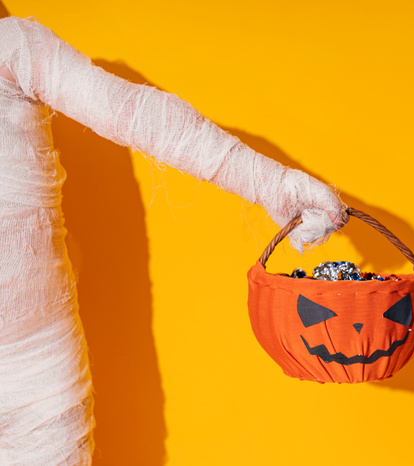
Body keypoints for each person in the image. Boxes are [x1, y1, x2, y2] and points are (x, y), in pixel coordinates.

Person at [0, 15, 346, 465]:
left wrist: (276, 185)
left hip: (38, 368)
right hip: (42, 364)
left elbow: (132, 113)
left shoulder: (13, 45)